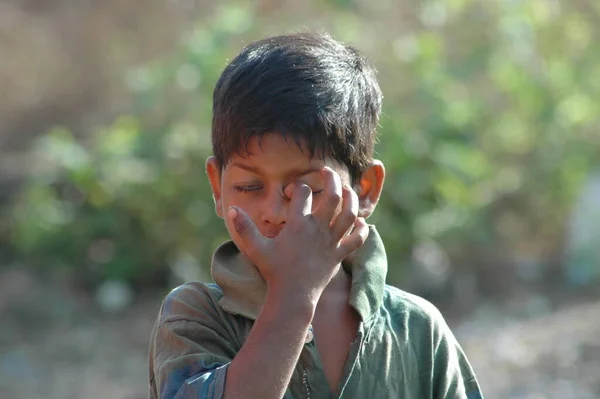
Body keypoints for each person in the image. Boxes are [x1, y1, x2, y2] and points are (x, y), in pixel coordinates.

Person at [148, 32, 483, 399]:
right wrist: (294, 293)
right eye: (249, 187)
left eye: (306, 190)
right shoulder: (195, 317)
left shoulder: (417, 330)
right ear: (217, 187)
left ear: (365, 189)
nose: (275, 213)